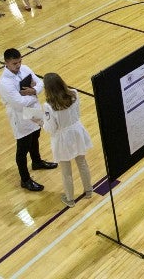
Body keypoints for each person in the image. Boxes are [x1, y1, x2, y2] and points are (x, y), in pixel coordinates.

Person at [0, 48, 57, 191]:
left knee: (35, 136)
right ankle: (25, 179)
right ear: (6, 63)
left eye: (19, 61)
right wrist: (34, 94)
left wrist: (34, 91)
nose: (18, 65)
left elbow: (41, 83)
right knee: (23, 147)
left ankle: (36, 162)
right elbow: (19, 103)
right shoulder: (4, 83)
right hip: (20, 116)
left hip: (32, 111)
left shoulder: (25, 69)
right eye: (14, 63)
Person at [39, 73, 93, 208]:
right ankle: (89, 190)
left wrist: (40, 123)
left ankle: (70, 199)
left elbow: (51, 128)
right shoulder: (74, 94)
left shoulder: (48, 106)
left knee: (66, 171)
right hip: (77, 131)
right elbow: (78, 113)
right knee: (82, 163)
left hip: (62, 138)